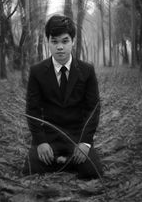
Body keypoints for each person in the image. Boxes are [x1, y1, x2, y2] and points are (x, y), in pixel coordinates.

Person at [22, 14, 103, 180]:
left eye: (65, 41)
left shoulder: (87, 71)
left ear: (72, 41)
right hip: (48, 136)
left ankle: (65, 161)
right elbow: (32, 110)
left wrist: (85, 143)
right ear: (48, 42)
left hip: (77, 137)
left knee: (93, 173)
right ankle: (64, 162)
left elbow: (93, 110)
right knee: (30, 171)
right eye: (54, 41)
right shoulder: (37, 72)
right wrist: (41, 142)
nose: (60, 47)